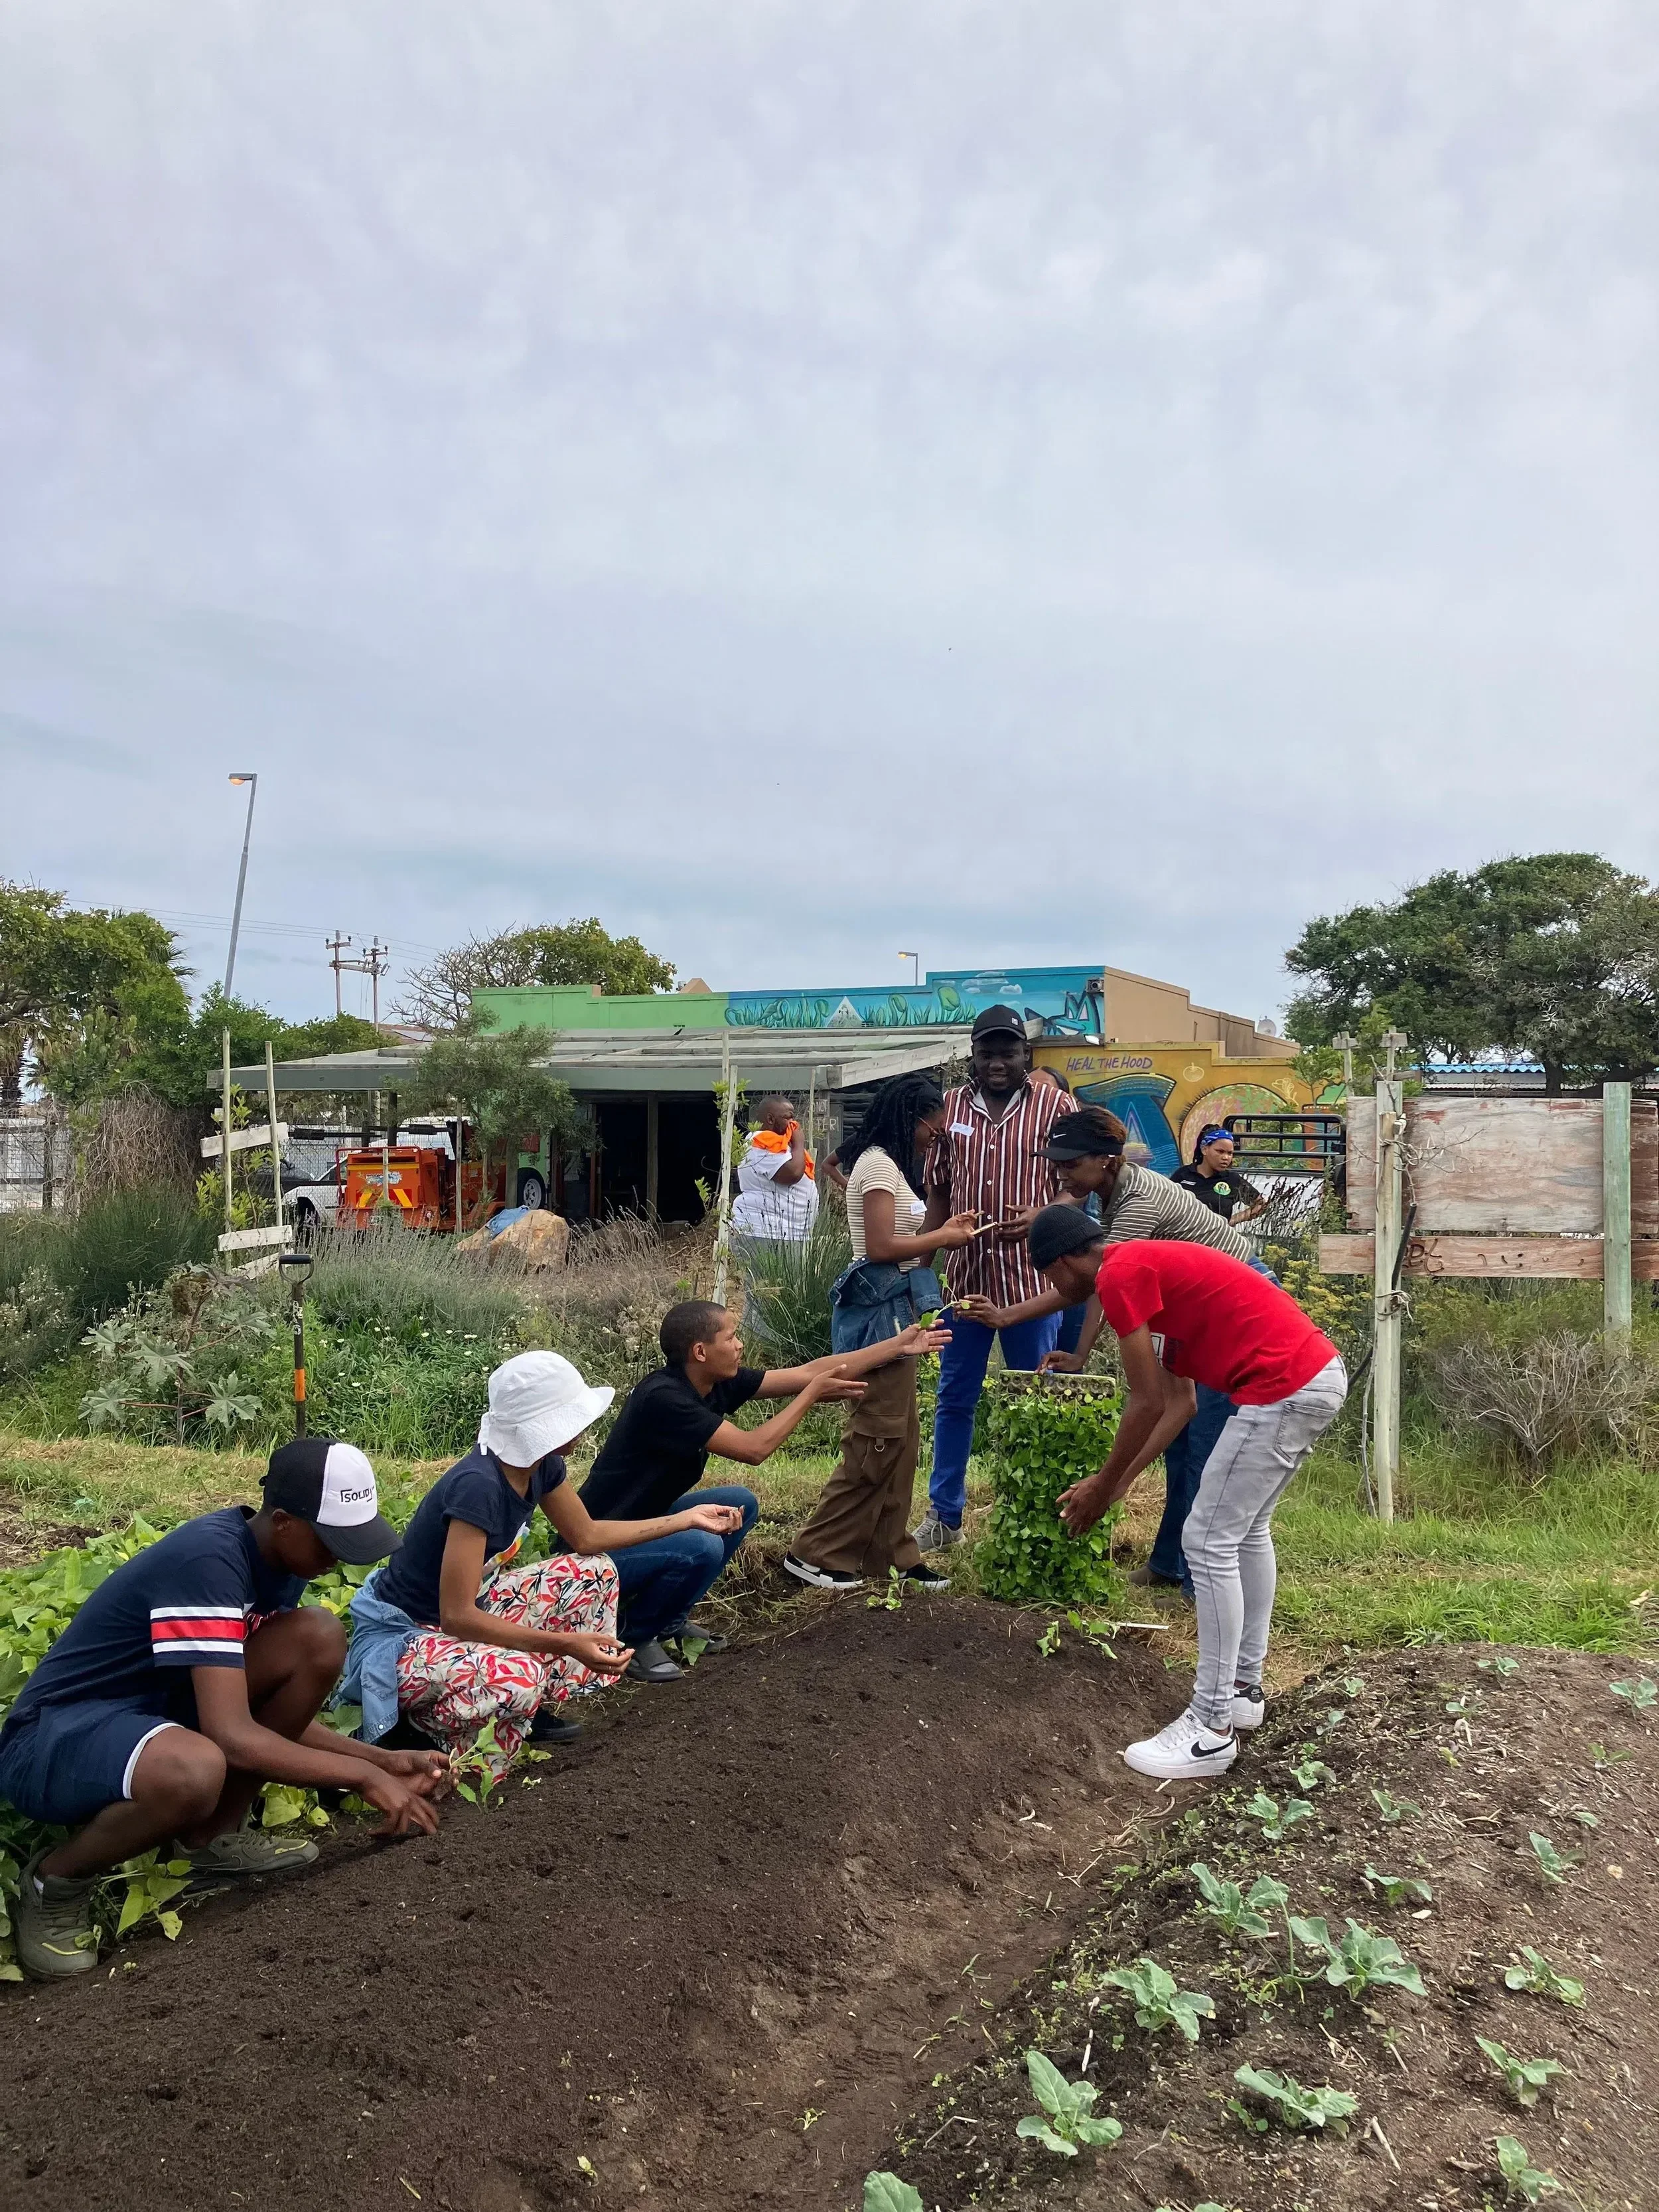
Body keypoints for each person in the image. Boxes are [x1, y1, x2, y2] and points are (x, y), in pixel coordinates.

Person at [0, 1438, 448, 1980]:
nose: (338, 1557)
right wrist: (360, 1776)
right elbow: (232, 1735)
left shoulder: (281, 1561)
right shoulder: (208, 1561)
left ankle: (208, 1844)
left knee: (317, 1637)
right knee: (196, 1766)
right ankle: (56, 1880)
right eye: (333, 1540)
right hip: (52, 1739)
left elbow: (247, 1714)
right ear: (283, 1521)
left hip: (150, 1719)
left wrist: (385, 1762)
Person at [1027, 1205, 1346, 1779]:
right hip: (1312, 1377)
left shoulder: (1118, 1275)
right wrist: (1117, 1485)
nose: (1056, 1290)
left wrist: (1100, 1483)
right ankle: (1244, 1691)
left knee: (1206, 1540)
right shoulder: (1153, 1278)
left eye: (1049, 1276)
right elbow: (1181, 1405)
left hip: (1282, 1384)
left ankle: (1210, 1726)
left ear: (1066, 1259)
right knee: (1244, 1531)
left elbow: (1144, 1402)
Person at [342, 1352, 741, 1770]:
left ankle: (527, 1710)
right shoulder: (477, 1488)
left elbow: (586, 1536)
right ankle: (424, 1730)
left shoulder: (542, 1466)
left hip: (465, 1609)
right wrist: (567, 1644)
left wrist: (683, 1520)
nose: (583, 1429)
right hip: (404, 1636)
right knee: (519, 1676)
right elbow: (456, 1618)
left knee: (595, 1573)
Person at [960, 1106, 1262, 1595]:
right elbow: (1096, 1278)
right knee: (1180, 1442)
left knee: (1205, 1447)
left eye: (1070, 1163)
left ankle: (1201, 1585)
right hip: (1192, 1311)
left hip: (1235, 1304)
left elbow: (1103, 1283)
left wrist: (1076, 1355)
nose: (1061, 1173)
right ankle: (1169, 1564)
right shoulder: (1111, 1192)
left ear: (1106, 1159)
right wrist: (1007, 1318)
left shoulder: (1138, 1198)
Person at [588, 1273, 952, 1631]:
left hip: (643, 1522)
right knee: (703, 1545)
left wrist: (898, 1346)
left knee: (738, 1503)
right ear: (700, 1352)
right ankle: (640, 1633)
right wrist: (810, 1396)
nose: (740, 1345)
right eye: (731, 1338)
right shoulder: (665, 1399)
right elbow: (754, 1449)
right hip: (600, 1547)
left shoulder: (712, 1382)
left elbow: (808, 1371)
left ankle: (669, 1618)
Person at [780, 1074, 969, 1590]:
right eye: (935, 1123)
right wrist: (947, 1233)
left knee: (902, 1441)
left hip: (899, 1315)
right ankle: (813, 1551)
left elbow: (917, 1247)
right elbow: (883, 1247)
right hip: (878, 1319)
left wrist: (942, 1207)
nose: (938, 1133)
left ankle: (891, 1554)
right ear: (915, 1116)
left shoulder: (896, 1168)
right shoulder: (878, 1164)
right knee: (875, 1441)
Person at [912, 1008, 1072, 1554]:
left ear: (1026, 1054)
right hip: (965, 1283)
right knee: (955, 1398)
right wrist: (921, 1268)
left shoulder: (1055, 1105)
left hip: (1034, 1284)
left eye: (1008, 1051)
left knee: (1033, 1398)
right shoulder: (950, 1108)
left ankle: (1030, 1517)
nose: (998, 1062)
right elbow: (937, 1190)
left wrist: (1045, 1216)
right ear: (973, 1054)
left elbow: (1079, 1184)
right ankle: (944, 1517)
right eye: (987, 1052)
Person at [731, 1094, 820, 1246]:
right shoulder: (762, 1142)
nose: (793, 1124)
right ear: (771, 1119)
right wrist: (799, 1143)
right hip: (768, 1233)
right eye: (788, 1118)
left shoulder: (778, 1144)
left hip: (785, 1233)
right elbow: (793, 1174)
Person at [1171, 1125, 1267, 1226]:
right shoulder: (1183, 1174)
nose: (1226, 1158)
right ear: (1204, 1149)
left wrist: (1232, 1221)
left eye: (1230, 1153)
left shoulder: (1233, 1180)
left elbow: (1262, 1205)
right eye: (1220, 1152)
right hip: (1181, 1238)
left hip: (1215, 1240)